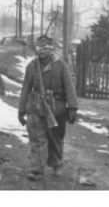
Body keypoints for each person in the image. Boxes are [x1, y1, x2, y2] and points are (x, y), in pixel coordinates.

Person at [17, 35, 78, 181]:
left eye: (47, 48)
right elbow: (26, 88)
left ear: (52, 49)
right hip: (36, 106)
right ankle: (36, 170)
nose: (44, 51)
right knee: (37, 139)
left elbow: (69, 87)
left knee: (55, 138)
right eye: (41, 48)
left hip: (57, 108)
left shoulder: (60, 65)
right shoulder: (31, 66)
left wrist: (72, 107)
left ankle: (56, 164)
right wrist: (21, 110)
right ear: (37, 49)